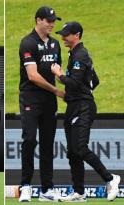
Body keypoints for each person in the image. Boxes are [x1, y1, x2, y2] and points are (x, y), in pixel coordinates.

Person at [51, 21, 120, 202]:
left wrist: (59, 75)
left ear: (77, 35)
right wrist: (79, 91)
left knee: (80, 149)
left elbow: (73, 82)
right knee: (73, 152)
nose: (63, 37)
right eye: (62, 34)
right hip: (75, 106)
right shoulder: (77, 54)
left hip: (83, 107)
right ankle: (79, 192)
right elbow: (94, 81)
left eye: (66, 34)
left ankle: (111, 179)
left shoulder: (80, 54)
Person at [18, 6, 65, 202]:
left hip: (48, 103)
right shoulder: (27, 42)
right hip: (31, 98)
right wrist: (56, 90)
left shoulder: (55, 44)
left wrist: (68, 82)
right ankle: (26, 186)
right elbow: (33, 76)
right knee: (29, 140)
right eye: (48, 20)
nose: (52, 24)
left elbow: (58, 71)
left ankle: (47, 189)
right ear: (38, 20)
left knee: (47, 144)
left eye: (53, 20)